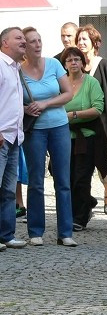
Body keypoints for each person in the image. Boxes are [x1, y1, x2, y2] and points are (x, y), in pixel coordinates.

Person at [20, 27, 74, 247]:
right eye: (32, 41)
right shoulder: (18, 70)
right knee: (36, 181)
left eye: (39, 40)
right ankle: (35, 231)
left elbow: (68, 94)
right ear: (25, 47)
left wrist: (45, 103)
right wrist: (24, 109)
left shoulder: (54, 64)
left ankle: (66, 232)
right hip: (34, 129)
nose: (38, 44)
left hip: (59, 126)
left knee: (63, 180)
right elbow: (10, 98)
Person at [62, 47, 107, 233]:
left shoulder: (91, 82)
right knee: (67, 177)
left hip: (87, 137)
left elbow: (98, 108)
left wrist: (73, 114)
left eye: (77, 59)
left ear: (82, 63)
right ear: (64, 64)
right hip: (65, 137)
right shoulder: (61, 83)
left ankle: (80, 218)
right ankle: (83, 205)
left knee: (81, 178)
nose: (73, 63)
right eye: (69, 60)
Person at [75, 24, 107, 215]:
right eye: (79, 39)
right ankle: (86, 202)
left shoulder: (105, 65)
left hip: (102, 123)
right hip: (79, 126)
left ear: (94, 43)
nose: (81, 42)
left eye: (85, 39)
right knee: (82, 168)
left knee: (104, 162)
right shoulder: (74, 65)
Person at [0, 27, 28, 250]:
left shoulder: (16, 67)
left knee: (9, 190)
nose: (24, 41)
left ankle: (6, 235)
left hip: (14, 137)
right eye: (18, 38)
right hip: (1, 136)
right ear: (4, 43)